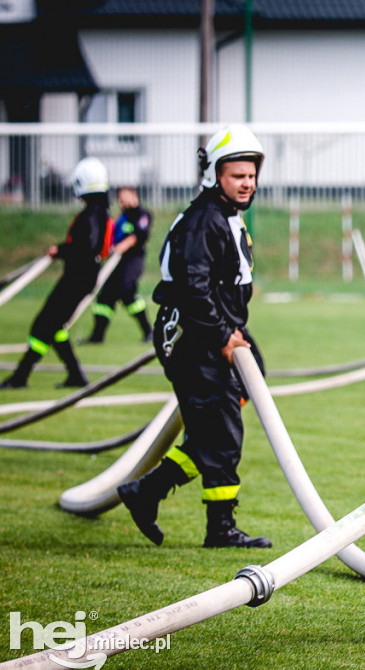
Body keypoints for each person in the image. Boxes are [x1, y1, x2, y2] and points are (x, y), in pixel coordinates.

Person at [117, 124, 272, 549]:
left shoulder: (223, 216)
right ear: (215, 175)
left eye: (251, 175)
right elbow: (193, 286)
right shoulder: (205, 220)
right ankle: (212, 523)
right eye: (237, 175)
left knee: (221, 421)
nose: (247, 183)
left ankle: (148, 493)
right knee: (220, 433)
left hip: (210, 332)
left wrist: (232, 330)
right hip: (194, 339)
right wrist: (223, 333)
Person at [0, 157, 111, 389]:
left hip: (77, 279)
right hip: (80, 278)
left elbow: (85, 248)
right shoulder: (99, 213)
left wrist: (60, 250)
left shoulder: (91, 215)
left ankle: (21, 377)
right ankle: (74, 375)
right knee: (53, 326)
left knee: (43, 325)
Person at [84, 186, 153, 344]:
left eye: (123, 197)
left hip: (133, 260)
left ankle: (149, 331)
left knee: (126, 290)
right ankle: (97, 336)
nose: (120, 201)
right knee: (105, 298)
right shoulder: (122, 217)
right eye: (119, 198)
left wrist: (123, 246)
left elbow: (139, 235)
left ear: (133, 195)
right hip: (116, 262)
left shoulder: (142, 214)